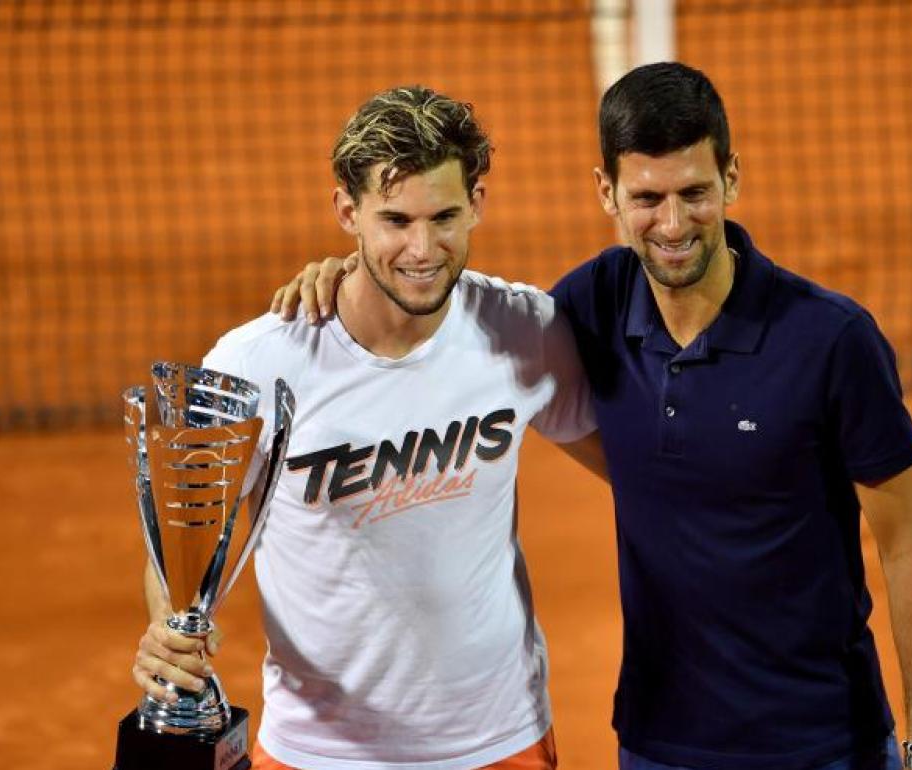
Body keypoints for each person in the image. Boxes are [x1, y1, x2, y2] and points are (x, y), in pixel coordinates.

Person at [274, 62, 912, 770]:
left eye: (695, 192)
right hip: (659, 739)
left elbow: (906, 539)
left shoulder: (830, 340)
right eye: (647, 197)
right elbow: (442, 315)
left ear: (732, 178)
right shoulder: (586, 311)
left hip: (824, 740)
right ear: (607, 192)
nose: (673, 224)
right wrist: (348, 274)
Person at [133, 85, 605, 770]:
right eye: (395, 220)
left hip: (499, 740)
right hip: (319, 751)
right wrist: (166, 626)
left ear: (478, 201)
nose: (421, 248)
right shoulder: (259, 362)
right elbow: (182, 540)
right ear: (346, 212)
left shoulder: (524, 332)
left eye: (444, 215)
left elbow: (640, 473)